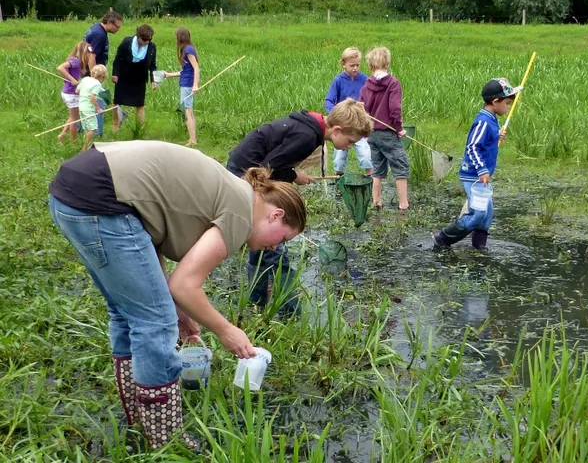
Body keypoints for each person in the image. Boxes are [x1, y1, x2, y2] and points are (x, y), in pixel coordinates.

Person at [48, 140, 307, 449]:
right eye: (283, 238)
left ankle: (139, 421)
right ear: (275, 216)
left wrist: (180, 311)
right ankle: (165, 440)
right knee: (155, 323)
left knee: (130, 313)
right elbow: (184, 285)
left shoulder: (234, 194)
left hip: (76, 191)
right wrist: (226, 331)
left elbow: (148, 240)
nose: (276, 247)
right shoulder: (241, 214)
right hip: (102, 199)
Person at [226, 99, 373, 311]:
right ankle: (289, 310)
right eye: (350, 141)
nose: (349, 146)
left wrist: (293, 175)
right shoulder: (307, 137)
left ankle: (256, 303)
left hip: (245, 165)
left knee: (262, 240)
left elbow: (275, 162)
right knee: (274, 247)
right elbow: (269, 166)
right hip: (245, 172)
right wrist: (292, 174)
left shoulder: (311, 125)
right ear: (337, 130)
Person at [432, 78, 516, 250]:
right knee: (478, 213)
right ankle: (442, 239)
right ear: (495, 102)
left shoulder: (491, 119)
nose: (508, 108)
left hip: (480, 177)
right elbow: (472, 148)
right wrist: (482, 170)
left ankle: (479, 247)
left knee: (487, 214)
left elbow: (484, 141)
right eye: (507, 103)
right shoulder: (483, 121)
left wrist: (495, 137)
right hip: (473, 175)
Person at [359, 47, 409, 211]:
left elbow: (361, 108)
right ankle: (403, 203)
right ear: (388, 63)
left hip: (372, 134)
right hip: (387, 133)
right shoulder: (393, 83)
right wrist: (399, 128)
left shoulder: (367, 85)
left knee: (377, 169)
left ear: (370, 65)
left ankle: (377, 201)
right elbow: (395, 109)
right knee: (400, 167)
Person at [324, 47, 372, 176]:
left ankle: (370, 177)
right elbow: (329, 101)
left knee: (366, 154)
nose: (355, 68)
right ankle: (338, 176)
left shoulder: (365, 80)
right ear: (343, 64)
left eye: (357, 65)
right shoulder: (338, 81)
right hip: (343, 125)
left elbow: (370, 100)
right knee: (339, 157)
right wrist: (336, 113)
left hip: (359, 125)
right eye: (352, 65)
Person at [111, 24, 158, 132]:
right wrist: (115, 74)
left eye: (149, 39)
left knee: (139, 104)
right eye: (144, 39)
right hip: (124, 76)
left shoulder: (152, 47)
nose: (147, 42)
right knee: (117, 102)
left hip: (139, 78)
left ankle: (140, 129)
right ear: (138, 36)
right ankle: (115, 126)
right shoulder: (126, 42)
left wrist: (153, 80)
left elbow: (152, 66)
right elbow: (118, 59)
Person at [163, 27, 200, 146]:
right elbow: (185, 71)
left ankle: (192, 140)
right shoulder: (187, 49)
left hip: (188, 85)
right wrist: (168, 75)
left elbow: (196, 68)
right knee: (189, 111)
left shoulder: (188, 50)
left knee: (187, 112)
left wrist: (195, 85)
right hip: (186, 83)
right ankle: (193, 139)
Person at [56, 40, 92, 143]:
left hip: (72, 93)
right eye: (87, 54)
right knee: (74, 120)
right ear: (82, 52)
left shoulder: (79, 63)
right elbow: (60, 67)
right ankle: (73, 141)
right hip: (70, 94)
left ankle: (62, 135)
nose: (89, 56)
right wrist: (71, 79)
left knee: (73, 117)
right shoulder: (75, 61)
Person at [77, 64, 108, 151]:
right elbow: (93, 97)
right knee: (93, 129)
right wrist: (98, 109)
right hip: (89, 109)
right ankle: (85, 147)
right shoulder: (97, 84)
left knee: (87, 128)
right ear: (102, 76)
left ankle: (88, 145)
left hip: (81, 107)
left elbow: (77, 91)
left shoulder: (85, 79)